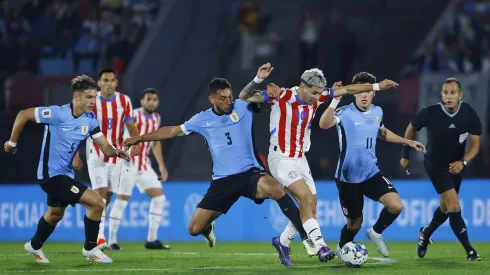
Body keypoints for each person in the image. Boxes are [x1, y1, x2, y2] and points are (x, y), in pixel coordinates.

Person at [124, 77, 308, 268]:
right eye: (223, 98)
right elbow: (171, 131)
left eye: (230, 96)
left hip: (249, 174)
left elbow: (270, 98)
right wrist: (140, 138)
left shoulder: (243, 106)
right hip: (222, 182)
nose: (228, 101)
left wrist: (268, 87)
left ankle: (306, 236)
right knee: (194, 229)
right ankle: (208, 228)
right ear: (211, 99)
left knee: (276, 188)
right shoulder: (202, 119)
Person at [238, 63, 399, 265]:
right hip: (280, 158)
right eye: (314, 93)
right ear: (302, 86)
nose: (317, 98)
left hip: (300, 159)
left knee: (311, 207)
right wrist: (259, 80)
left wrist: (376, 87)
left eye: (320, 93)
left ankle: (282, 241)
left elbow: (349, 89)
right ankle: (322, 246)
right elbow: (244, 96)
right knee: (305, 197)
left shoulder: (321, 95)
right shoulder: (281, 96)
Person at [3, 75, 130, 264]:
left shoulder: (91, 120)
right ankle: (91, 248)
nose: (93, 101)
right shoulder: (57, 113)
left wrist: (116, 151)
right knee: (97, 203)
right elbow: (23, 115)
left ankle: (34, 245)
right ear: (76, 97)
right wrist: (12, 142)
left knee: (55, 214)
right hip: (51, 176)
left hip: (65, 174)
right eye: (89, 97)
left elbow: (104, 147)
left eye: (94, 97)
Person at [318, 72, 426, 258]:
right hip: (348, 178)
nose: (364, 95)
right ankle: (342, 247)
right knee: (355, 223)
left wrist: (407, 142)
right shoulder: (345, 112)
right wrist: (335, 100)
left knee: (396, 205)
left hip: (370, 173)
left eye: (368, 90)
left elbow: (382, 133)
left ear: (373, 93)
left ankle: (375, 232)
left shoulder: (377, 111)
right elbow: (323, 124)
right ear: (355, 93)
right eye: (361, 91)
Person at [400, 77, 482, 261]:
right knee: (454, 206)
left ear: (460, 95)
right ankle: (470, 251)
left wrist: (464, 162)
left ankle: (425, 234)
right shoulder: (430, 113)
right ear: (441, 95)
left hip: (456, 167)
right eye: (446, 92)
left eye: (453, 92)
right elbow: (410, 129)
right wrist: (405, 154)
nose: (449, 96)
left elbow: (475, 146)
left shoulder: (468, 113)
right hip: (435, 165)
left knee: (445, 209)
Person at [73, 68, 141, 249]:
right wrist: (76, 154)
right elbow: (79, 126)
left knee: (107, 198)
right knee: (101, 193)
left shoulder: (124, 100)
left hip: (116, 154)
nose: (109, 84)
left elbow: (131, 124)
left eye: (112, 80)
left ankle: (95, 224)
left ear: (116, 83)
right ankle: (100, 238)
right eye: (105, 80)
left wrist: (137, 143)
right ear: (99, 82)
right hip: (95, 152)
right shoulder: (92, 102)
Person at [108, 88, 170, 250]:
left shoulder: (157, 118)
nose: (151, 102)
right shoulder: (133, 114)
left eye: (154, 99)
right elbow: (117, 132)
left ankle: (151, 239)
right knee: (121, 201)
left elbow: (155, 142)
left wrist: (161, 165)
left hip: (144, 165)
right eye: (148, 99)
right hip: (127, 164)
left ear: (158, 103)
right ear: (142, 101)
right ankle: (111, 241)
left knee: (159, 198)